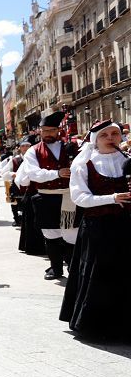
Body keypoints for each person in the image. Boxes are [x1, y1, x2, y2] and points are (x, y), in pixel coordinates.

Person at [60, 120, 131, 339]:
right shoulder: (84, 164)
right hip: (97, 229)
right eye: (104, 135)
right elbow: (79, 197)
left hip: (126, 226)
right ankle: (98, 327)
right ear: (95, 140)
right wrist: (112, 198)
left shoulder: (127, 161)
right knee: (99, 275)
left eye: (115, 134)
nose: (111, 138)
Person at [21, 112, 79, 279]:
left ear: (58, 130)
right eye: (44, 130)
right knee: (51, 234)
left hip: (68, 196)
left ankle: (72, 268)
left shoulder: (70, 147)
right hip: (46, 197)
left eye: (51, 130)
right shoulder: (33, 151)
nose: (47, 134)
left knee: (71, 234)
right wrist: (57, 173)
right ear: (40, 131)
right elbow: (34, 174)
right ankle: (56, 268)